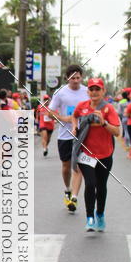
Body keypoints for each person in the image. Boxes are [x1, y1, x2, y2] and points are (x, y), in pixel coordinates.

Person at [71, 77, 121, 231]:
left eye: (97, 89)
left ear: (103, 91)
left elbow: (117, 132)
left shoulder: (108, 108)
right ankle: (90, 218)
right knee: (90, 184)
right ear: (88, 91)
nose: (94, 92)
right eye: (91, 89)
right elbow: (74, 116)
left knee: (101, 186)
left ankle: (100, 214)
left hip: (105, 154)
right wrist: (74, 127)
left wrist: (103, 122)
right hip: (86, 153)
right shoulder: (82, 106)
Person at [48, 64, 89, 213]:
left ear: (81, 78)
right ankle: (68, 189)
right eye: (73, 78)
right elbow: (50, 112)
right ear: (67, 78)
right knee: (66, 167)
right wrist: (64, 118)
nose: (76, 81)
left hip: (82, 135)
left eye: (78, 77)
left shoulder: (87, 91)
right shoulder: (60, 93)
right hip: (64, 135)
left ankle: (74, 198)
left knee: (77, 166)